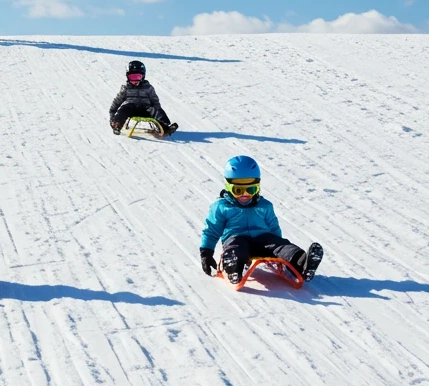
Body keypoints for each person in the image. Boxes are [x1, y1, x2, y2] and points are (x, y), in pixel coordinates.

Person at [199, 156, 323, 285]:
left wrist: (278, 247)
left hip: (264, 240)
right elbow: (211, 230)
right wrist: (206, 253)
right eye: (238, 190)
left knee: (282, 246)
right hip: (236, 238)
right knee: (236, 247)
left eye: (251, 189)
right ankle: (233, 267)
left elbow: (274, 227)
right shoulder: (221, 207)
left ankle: (303, 263)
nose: (245, 194)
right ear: (228, 187)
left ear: (258, 187)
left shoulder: (265, 205)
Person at [108, 60, 178, 136]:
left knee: (156, 110)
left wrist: (157, 109)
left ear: (143, 76)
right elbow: (117, 101)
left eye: (137, 77)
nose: (135, 80)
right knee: (123, 110)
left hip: (145, 109)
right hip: (131, 109)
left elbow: (154, 100)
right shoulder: (126, 88)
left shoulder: (148, 87)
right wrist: (112, 114)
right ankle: (117, 125)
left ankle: (166, 127)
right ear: (127, 77)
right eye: (132, 77)